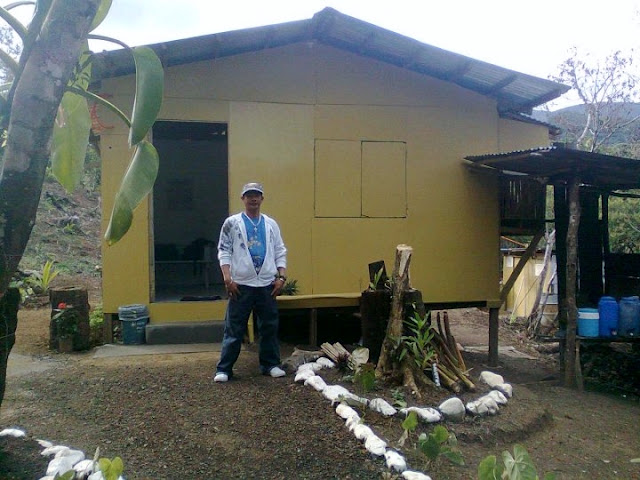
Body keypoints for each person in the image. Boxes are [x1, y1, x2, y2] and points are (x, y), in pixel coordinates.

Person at [214, 182, 288, 382]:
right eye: (249, 195)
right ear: (243, 199)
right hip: (241, 285)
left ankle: (270, 364)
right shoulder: (232, 222)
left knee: (269, 327)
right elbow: (224, 250)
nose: (253, 199)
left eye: (257, 195)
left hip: (266, 284)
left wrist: (281, 277)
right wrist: (227, 277)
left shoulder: (271, 224)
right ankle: (224, 369)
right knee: (235, 327)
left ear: (262, 199)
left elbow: (280, 250)